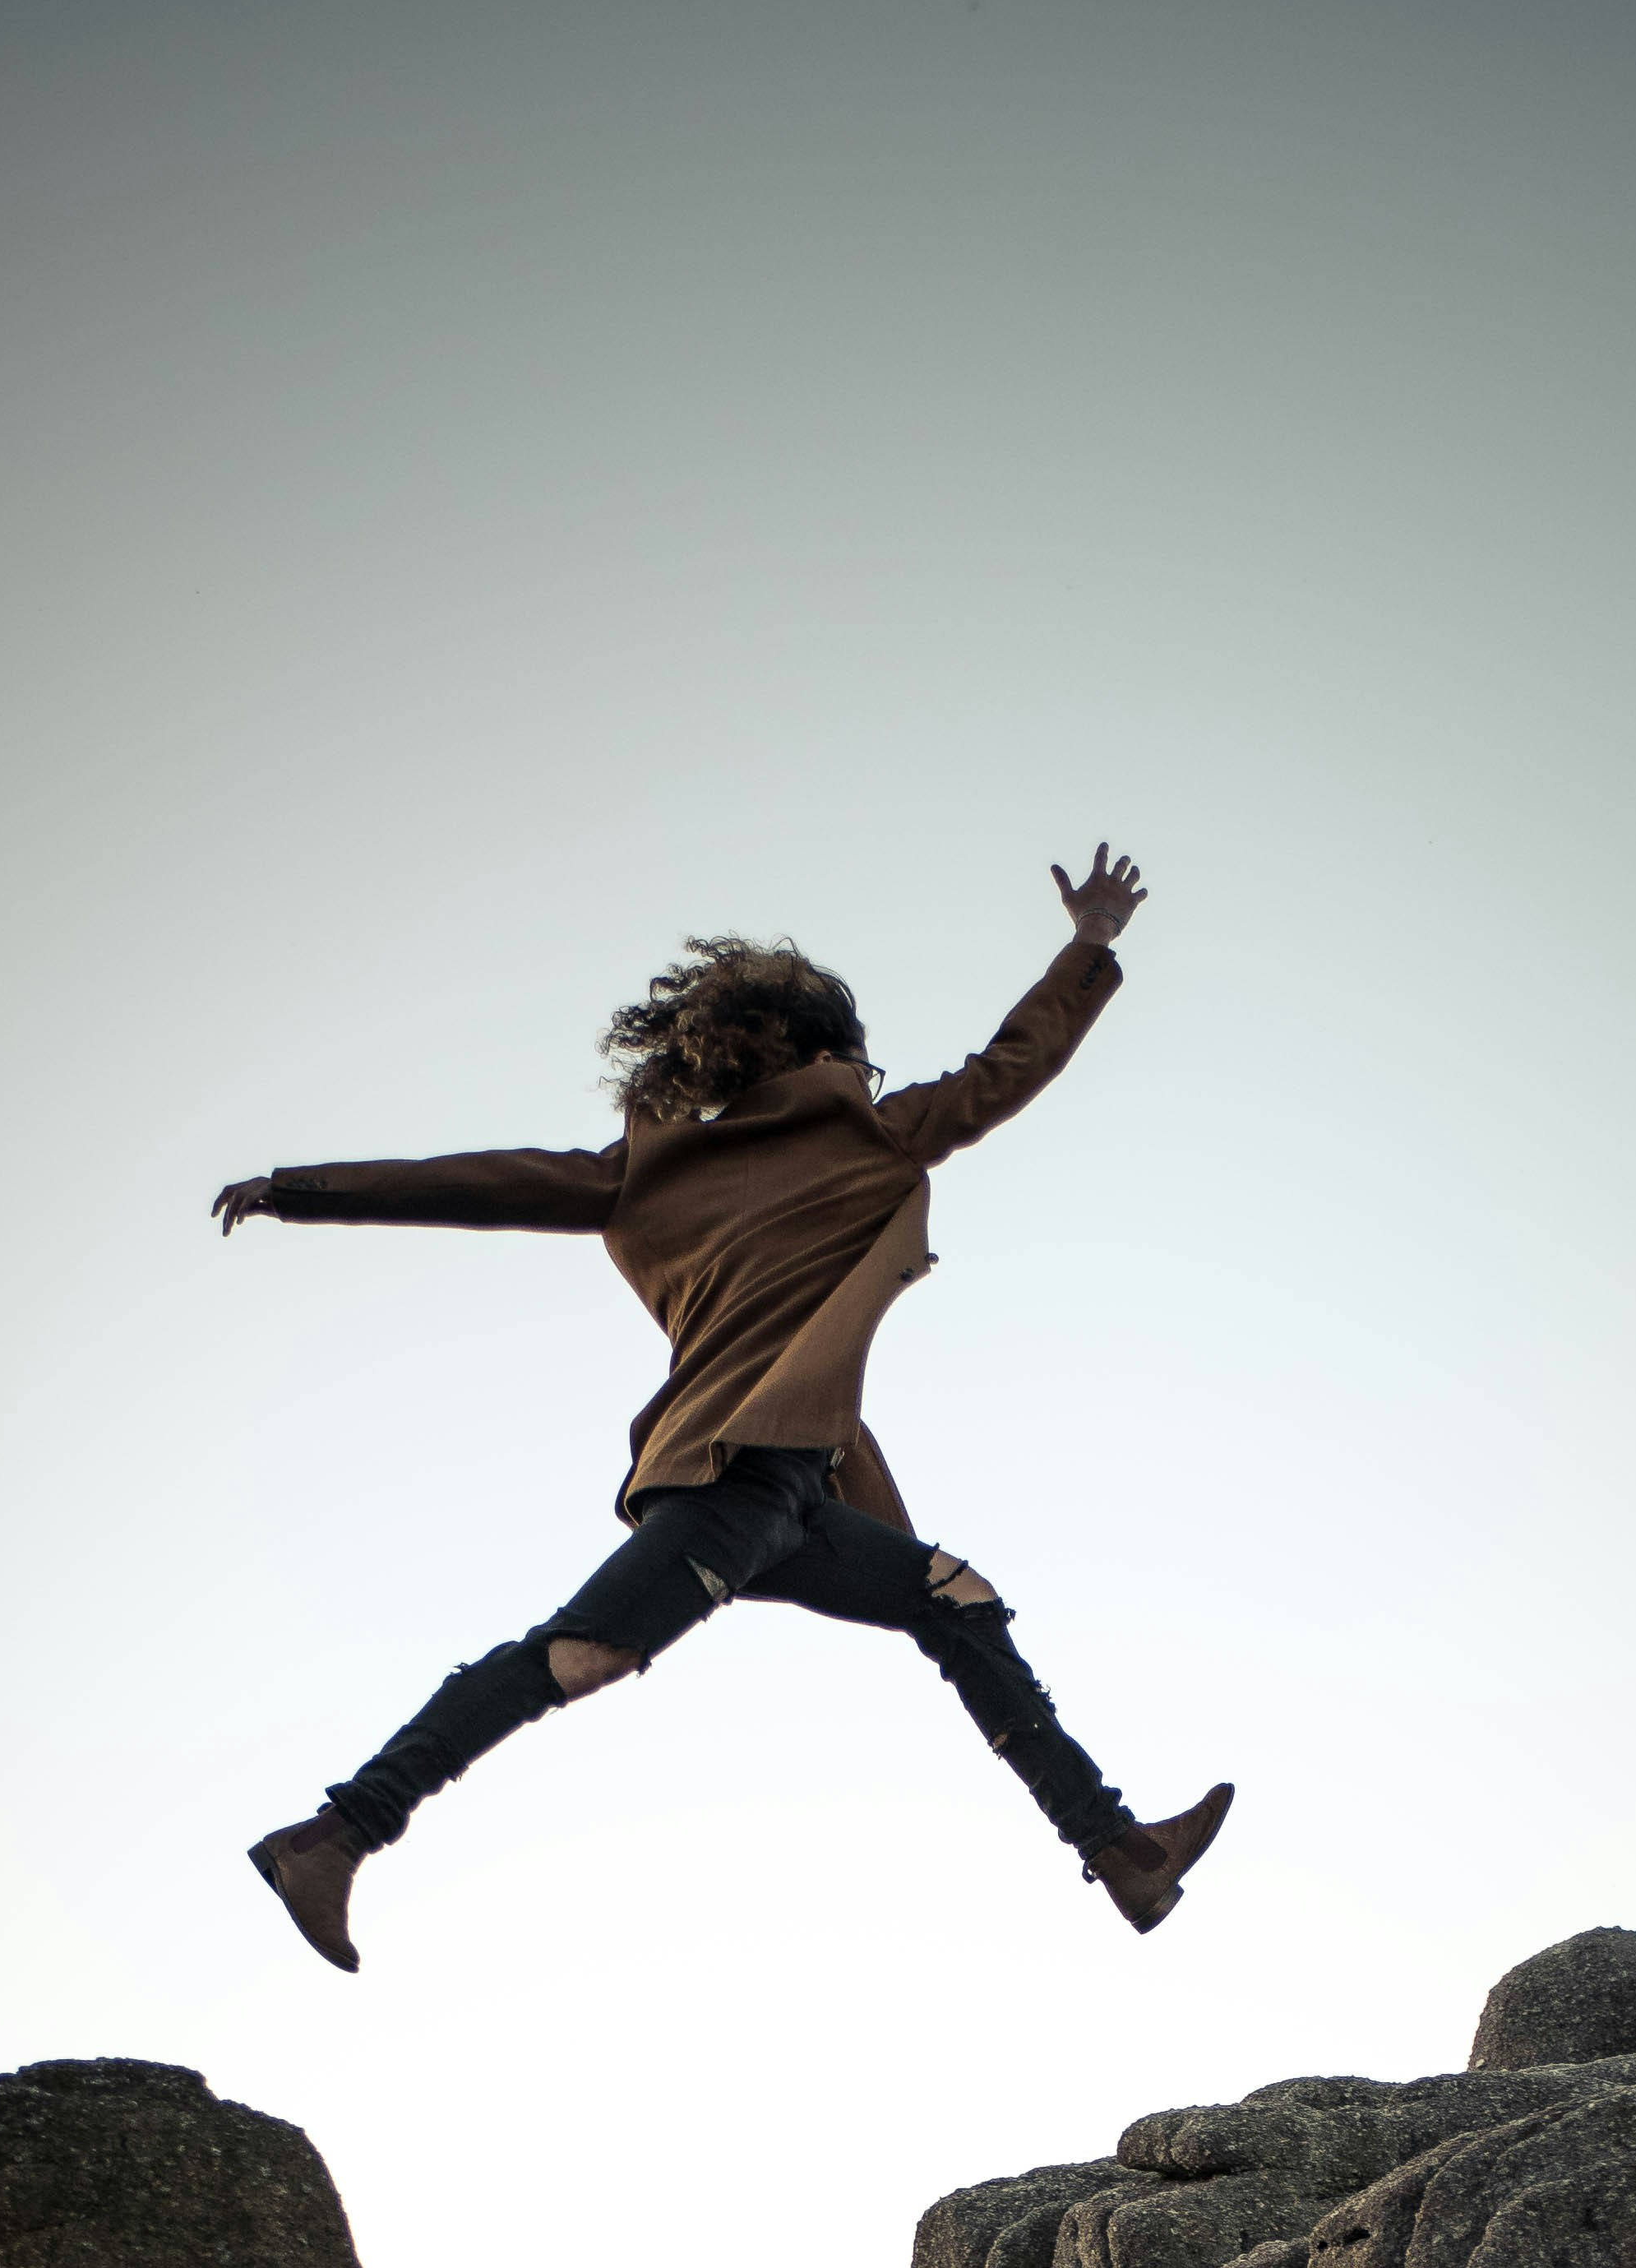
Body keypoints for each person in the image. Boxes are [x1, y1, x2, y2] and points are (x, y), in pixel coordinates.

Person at [214, 845, 1231, 1973]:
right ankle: (339, 1834)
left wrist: (303, 1191)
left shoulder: (648, 1170)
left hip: (796, 1488)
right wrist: (1088, 947)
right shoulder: (867, 1133)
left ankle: (1120, 1851)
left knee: (955, 1600)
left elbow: (477, 1178)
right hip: (731, 1478)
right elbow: (1008, 1069)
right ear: (825, 1052)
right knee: (581, 1654)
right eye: (857, 1052)